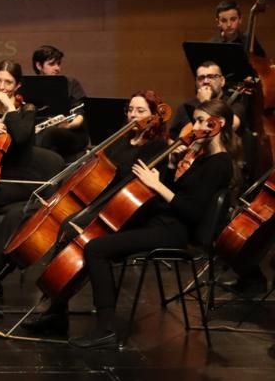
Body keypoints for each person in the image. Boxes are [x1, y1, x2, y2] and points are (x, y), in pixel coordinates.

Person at [64, 98, 238, 348]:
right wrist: (169, 166)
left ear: (219, 124)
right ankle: (61, 308)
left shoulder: (219, 164)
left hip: (175, 232)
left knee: (95, 248)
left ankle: (106, 329)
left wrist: (156, 185)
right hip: (163, 223)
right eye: (195, 120)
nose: (195, 126)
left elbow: (193, 211)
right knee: (98, 236)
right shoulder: (200, 158)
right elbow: (177, 192)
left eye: (201, 121)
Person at [21, 91, 171, 337]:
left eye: (141, 110)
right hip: (106, 203)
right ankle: (56, 308)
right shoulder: (122, 139)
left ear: (155, 116)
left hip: (128, 212)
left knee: (74, 232)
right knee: (67, 225)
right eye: (130, 110)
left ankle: (56, 310)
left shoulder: (156, 147)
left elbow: (135, 183)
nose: (134, 115)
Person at [0, 60, 64, 296]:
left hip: (24, 180)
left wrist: (10, 108)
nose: (2, 86)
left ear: (17, 85)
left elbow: (20, 138)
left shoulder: (26, 110)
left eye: (8, 82)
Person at [31, 45, 88, 159]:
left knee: (50, 132)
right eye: (52, 64)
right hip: (43, 132)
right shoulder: (30, 87)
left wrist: (67, 126)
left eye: (58, 63)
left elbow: (79, 115)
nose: (57, 68)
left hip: (72, 133)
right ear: (38, 65)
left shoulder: (70, 83)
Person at [168, 61, 245, 139]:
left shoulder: (236, 104)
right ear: (196, 83)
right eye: (201, 78)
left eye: (211, 77)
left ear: (222, 81)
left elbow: (229, 127)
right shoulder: (185, 106)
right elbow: (172, 138)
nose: (205, 81)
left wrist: (205, 102)